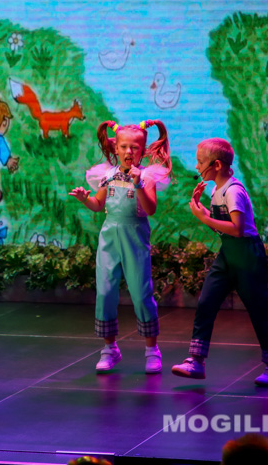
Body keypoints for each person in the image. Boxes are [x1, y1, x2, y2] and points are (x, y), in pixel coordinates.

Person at [171, 138, 268, 386]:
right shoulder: (216, 190)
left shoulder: (233, 191)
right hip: (228, 254)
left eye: (201, 162)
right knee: (207, 301)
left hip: (246, 255)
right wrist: (202, 210)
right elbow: (223, 228)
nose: (197, 166)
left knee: (258, 310)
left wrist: (204, 218)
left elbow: (237, 229)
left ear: (217, 165)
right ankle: (196, 360)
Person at [69, 120, 172, 375]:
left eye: (134, 148)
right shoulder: (108, 176)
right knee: (105, 292)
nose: (128, 152)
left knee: (140, 293)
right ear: (116, 148)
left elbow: (150, 209)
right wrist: (85, 199)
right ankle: (109, 348)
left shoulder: (146, 177)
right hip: (109, 238)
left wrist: (138, 184)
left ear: (142, 151)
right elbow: (98, 204)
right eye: (124, 146)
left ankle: (152, 350)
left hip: (134, 236)